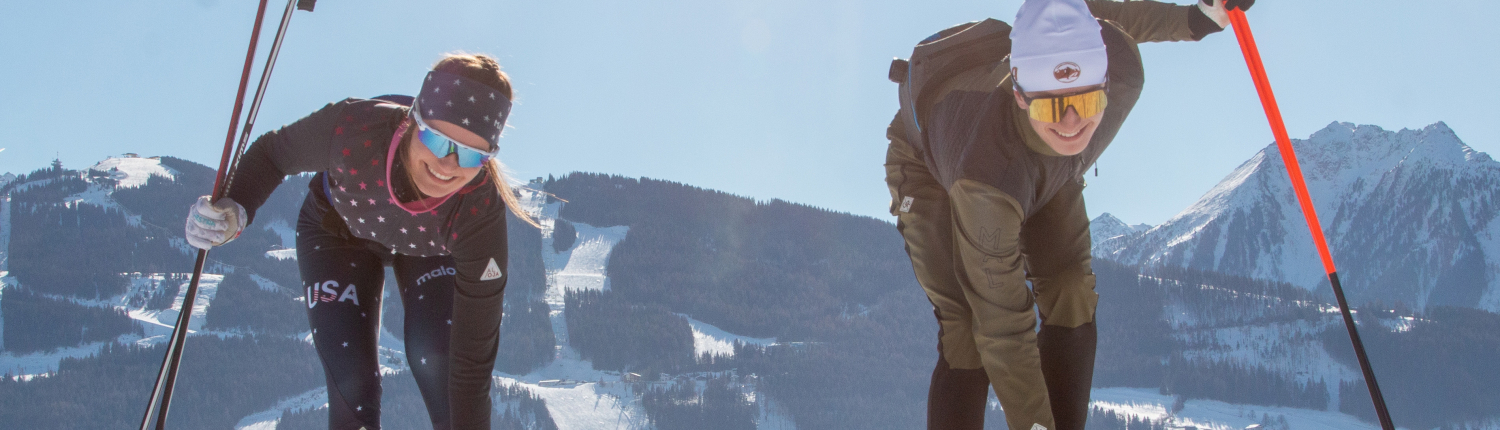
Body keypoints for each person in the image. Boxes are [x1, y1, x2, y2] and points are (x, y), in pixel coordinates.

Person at [883, 0, 1254, 429]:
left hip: (1039, 166)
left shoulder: (1121, 68)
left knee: (1070, 288)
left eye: (1088, 99)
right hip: (932, 167)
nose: (1073, 123)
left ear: (1104, 80)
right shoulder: (985, 180)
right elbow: (1004, 332)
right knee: (967, 329)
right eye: (1052, 107)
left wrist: (1199, 18)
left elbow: (1089, 12)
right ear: (1021, 95)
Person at [184, 53, 536, 430]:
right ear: (413, 121)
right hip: (338, 231)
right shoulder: (355, 129)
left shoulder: (478, 213)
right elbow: (273, 156)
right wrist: (234, 209)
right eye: (436, 139)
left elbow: (471, 367)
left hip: (430, 249)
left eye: (470, 153)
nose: (448, 164)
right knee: (352, 383)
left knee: (440, 360)